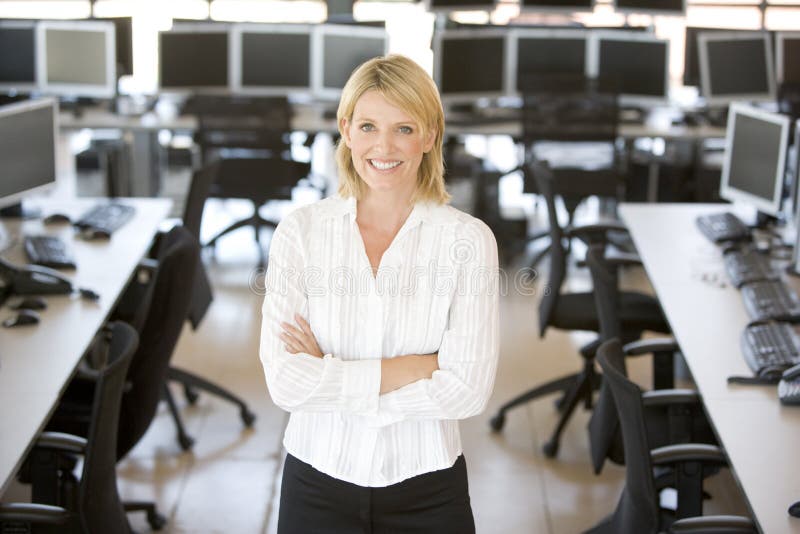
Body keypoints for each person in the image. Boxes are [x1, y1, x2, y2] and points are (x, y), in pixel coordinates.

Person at [259, 54, 499, 533]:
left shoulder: (467, 242)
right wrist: (415, 367)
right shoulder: (301, 232)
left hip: (427, 487)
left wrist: (331, 376)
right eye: (368, 126)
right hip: (316, 481)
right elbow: (286, 384)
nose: (383, 146)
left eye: (404, 129)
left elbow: (467, 392)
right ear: (345, 130)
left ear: (430, 136)